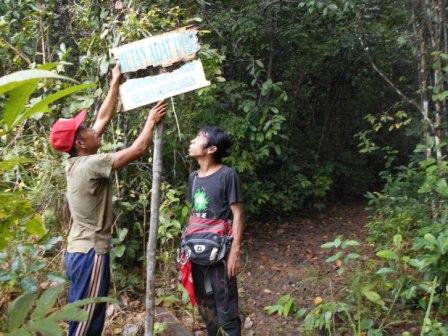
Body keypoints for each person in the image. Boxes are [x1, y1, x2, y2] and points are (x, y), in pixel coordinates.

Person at [49, 64, 167, 336]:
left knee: (86, 314)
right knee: (85, 322)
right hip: (90, 252)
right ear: (80, 143)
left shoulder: (76, 160)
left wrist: (115, 82)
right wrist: (150, 121)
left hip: (80, 250)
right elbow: (137, 149)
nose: (94, 129)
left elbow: (102, 118)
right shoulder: (91, 164)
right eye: (87, 129)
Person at [186, 126, 244, 335]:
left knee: (226, 302)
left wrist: (235, 252)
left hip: (220, 253)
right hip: (197, 252)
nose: (192, 141)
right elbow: (194, 215)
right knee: (204, 302)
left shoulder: (228, 175)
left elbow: (237, 214)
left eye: (198, 138)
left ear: (211, 149)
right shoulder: (193, 177)